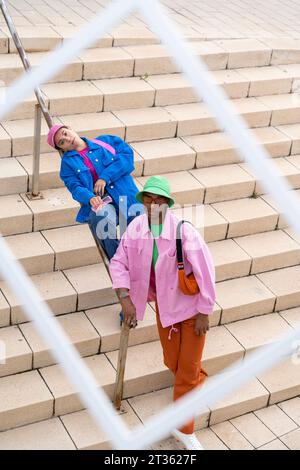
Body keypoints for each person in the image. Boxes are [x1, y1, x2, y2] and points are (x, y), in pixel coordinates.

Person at [109, 175, 216, 450]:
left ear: (168, 203)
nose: (153, 204)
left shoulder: (185, 231)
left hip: (192, 311)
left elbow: (206, 273)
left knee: (187, 369)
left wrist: (205, 311)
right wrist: (125, 298)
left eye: (159, 200)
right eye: (149, 199)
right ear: (143, 201)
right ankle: (193, 383)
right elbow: (118, 262)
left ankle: (184, 428)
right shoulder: (136, 228)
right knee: (174, 363)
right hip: (165, 311)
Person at [47, 124, 143, 260]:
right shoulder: (67, 164)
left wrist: (105, 177)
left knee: (140, 224)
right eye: (62, 142)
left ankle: (142, 262)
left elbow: (127, 158)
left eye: (65, 133)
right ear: (61, 148)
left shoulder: (107, 141)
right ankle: (119, 261)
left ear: (70, 128)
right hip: (102, 200)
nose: (67, 139)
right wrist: (89, 197)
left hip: (125, 193)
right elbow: (75, 187)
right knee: (101, 219)